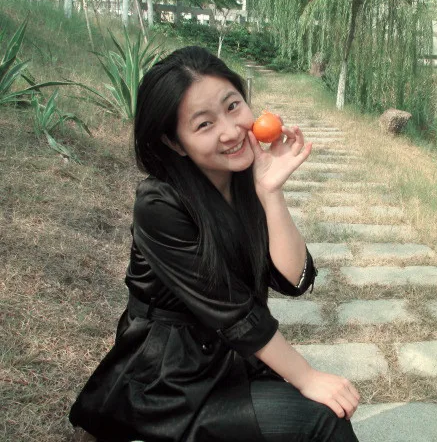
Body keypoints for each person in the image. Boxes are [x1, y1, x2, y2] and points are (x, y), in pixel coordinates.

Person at [68, 46, 361, 442]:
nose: (231, 131)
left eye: (233, 106)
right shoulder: (159, 204)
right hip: (172, 378)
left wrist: (271, 192)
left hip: (232, 356)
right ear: (175, 142)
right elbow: (233, 312)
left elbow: (295, 279)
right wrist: (306, 376)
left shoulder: (244, 179)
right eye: (204, 124)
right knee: (321, 419)